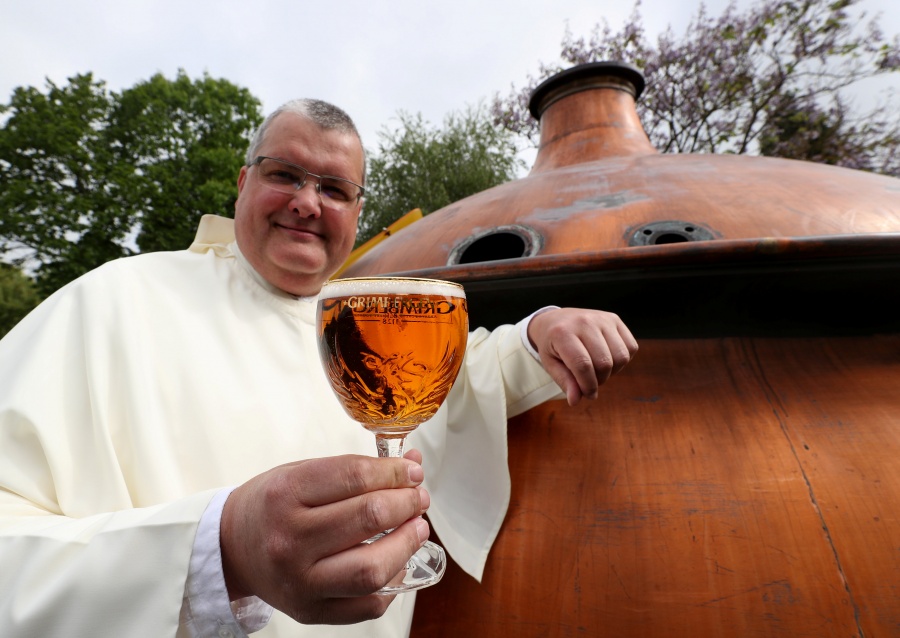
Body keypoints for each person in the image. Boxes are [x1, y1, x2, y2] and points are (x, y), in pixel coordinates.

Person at [0, 99, 637, 637]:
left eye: (334, 189)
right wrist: (219, 555)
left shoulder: (372, 324)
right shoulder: (110, 303)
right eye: (286, 175)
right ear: (243, 183)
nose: (308, 203)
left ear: (356, 214)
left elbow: (471, 370)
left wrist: (541, 328)